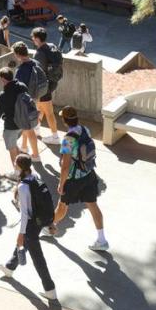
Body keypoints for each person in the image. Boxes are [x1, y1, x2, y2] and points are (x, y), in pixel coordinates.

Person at [0, 154, 57, 300]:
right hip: (40, 221)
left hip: (31, 224)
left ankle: (50, 289)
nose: (14, 165)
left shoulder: (23, 187)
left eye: (15, 163)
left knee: (38, 258)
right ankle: (10, 267)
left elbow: (24, 214)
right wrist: (50, 223)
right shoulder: (35, 177)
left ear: (19, 166)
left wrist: (21, 233)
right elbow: (45, 203)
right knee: (27, 245)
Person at [50, 106, 109, 251]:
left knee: (62, 206)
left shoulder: (67, 140)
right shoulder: (85, 129)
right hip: (89, 174)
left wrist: (61, 183)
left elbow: (65, 166)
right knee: (93, 205)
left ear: (64, 120)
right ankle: (102, 240)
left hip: (74, 179)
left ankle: (49, 226)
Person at [0, 67, 30, 173]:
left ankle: (17, 173)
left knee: (12, 149)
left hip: (11, 126)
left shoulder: (3, 95)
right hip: (23, 123)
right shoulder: (22, 86)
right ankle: (22, 167)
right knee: (14, 145)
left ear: (3, 79)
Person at [30, 28, 62, 145]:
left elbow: (37, 72)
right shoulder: (52, 46)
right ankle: (37, 128)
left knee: (48, 112)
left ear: (38, 39)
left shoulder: (39, 54)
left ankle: (55, 137)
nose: (32, 40)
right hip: (53, 82)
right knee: (40, 107)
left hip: (44, 86)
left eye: (33, 38)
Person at [12, 41, 43, 159]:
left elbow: (17, 89)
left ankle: (36, 155)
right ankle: (24, 146)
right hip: (36, 98)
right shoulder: (36, 63)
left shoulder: (20, 70)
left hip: (26, 102)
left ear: (18, 54)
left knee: (29, 129)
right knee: (27, 126)